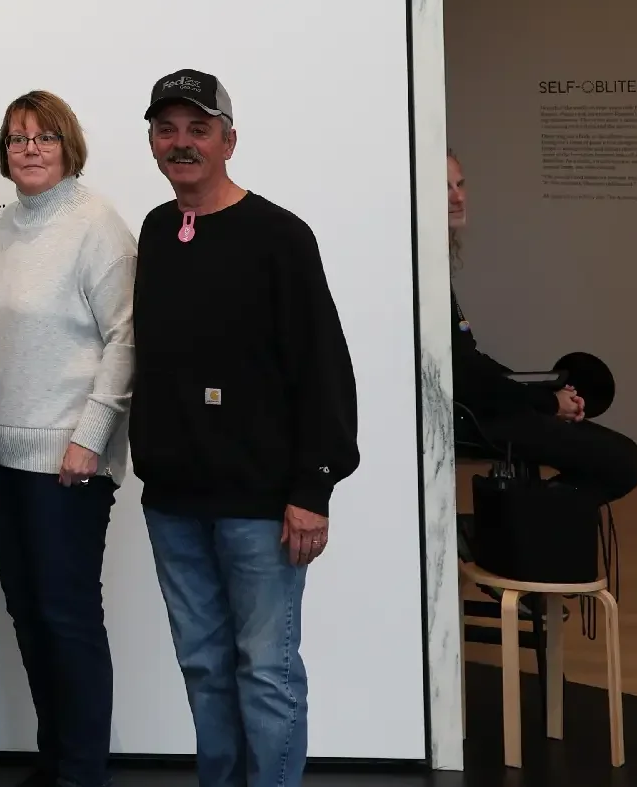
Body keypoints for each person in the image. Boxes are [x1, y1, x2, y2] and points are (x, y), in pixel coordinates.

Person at [131, 70, 357, 787]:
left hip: (261, 506)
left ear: (229, 140)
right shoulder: (158, 230)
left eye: (198, 129)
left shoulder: (280, 236)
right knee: (204, 666)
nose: (182, 143)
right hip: (174, 502)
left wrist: (312, 488)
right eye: (167, 129)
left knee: (267, 671)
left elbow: (323, 367)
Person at [0, 90, 135, 787]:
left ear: (69, 146)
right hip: (2, 455)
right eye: (17, 138)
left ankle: (82, 773)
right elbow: (0, 330)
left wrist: (91, 435)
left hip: (68, 459)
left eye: (43, 137)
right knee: (30, 614)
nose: (29, 149)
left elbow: (127, 338)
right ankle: (56, 761)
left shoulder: (96, 224)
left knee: (66, 618)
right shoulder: (9, 222)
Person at [447, 151, 637, 505]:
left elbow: (468, 359)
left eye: (460, 184)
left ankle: (523, 522)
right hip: (472, 414)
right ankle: (521, 524)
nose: (458, 197)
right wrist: (546, 402)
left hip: (483, 405)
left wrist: (540, 393)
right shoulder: (418, 270)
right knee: (621, 462)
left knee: (622, 458)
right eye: (444, 188)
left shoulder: (431, 263)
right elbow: (461, 374)